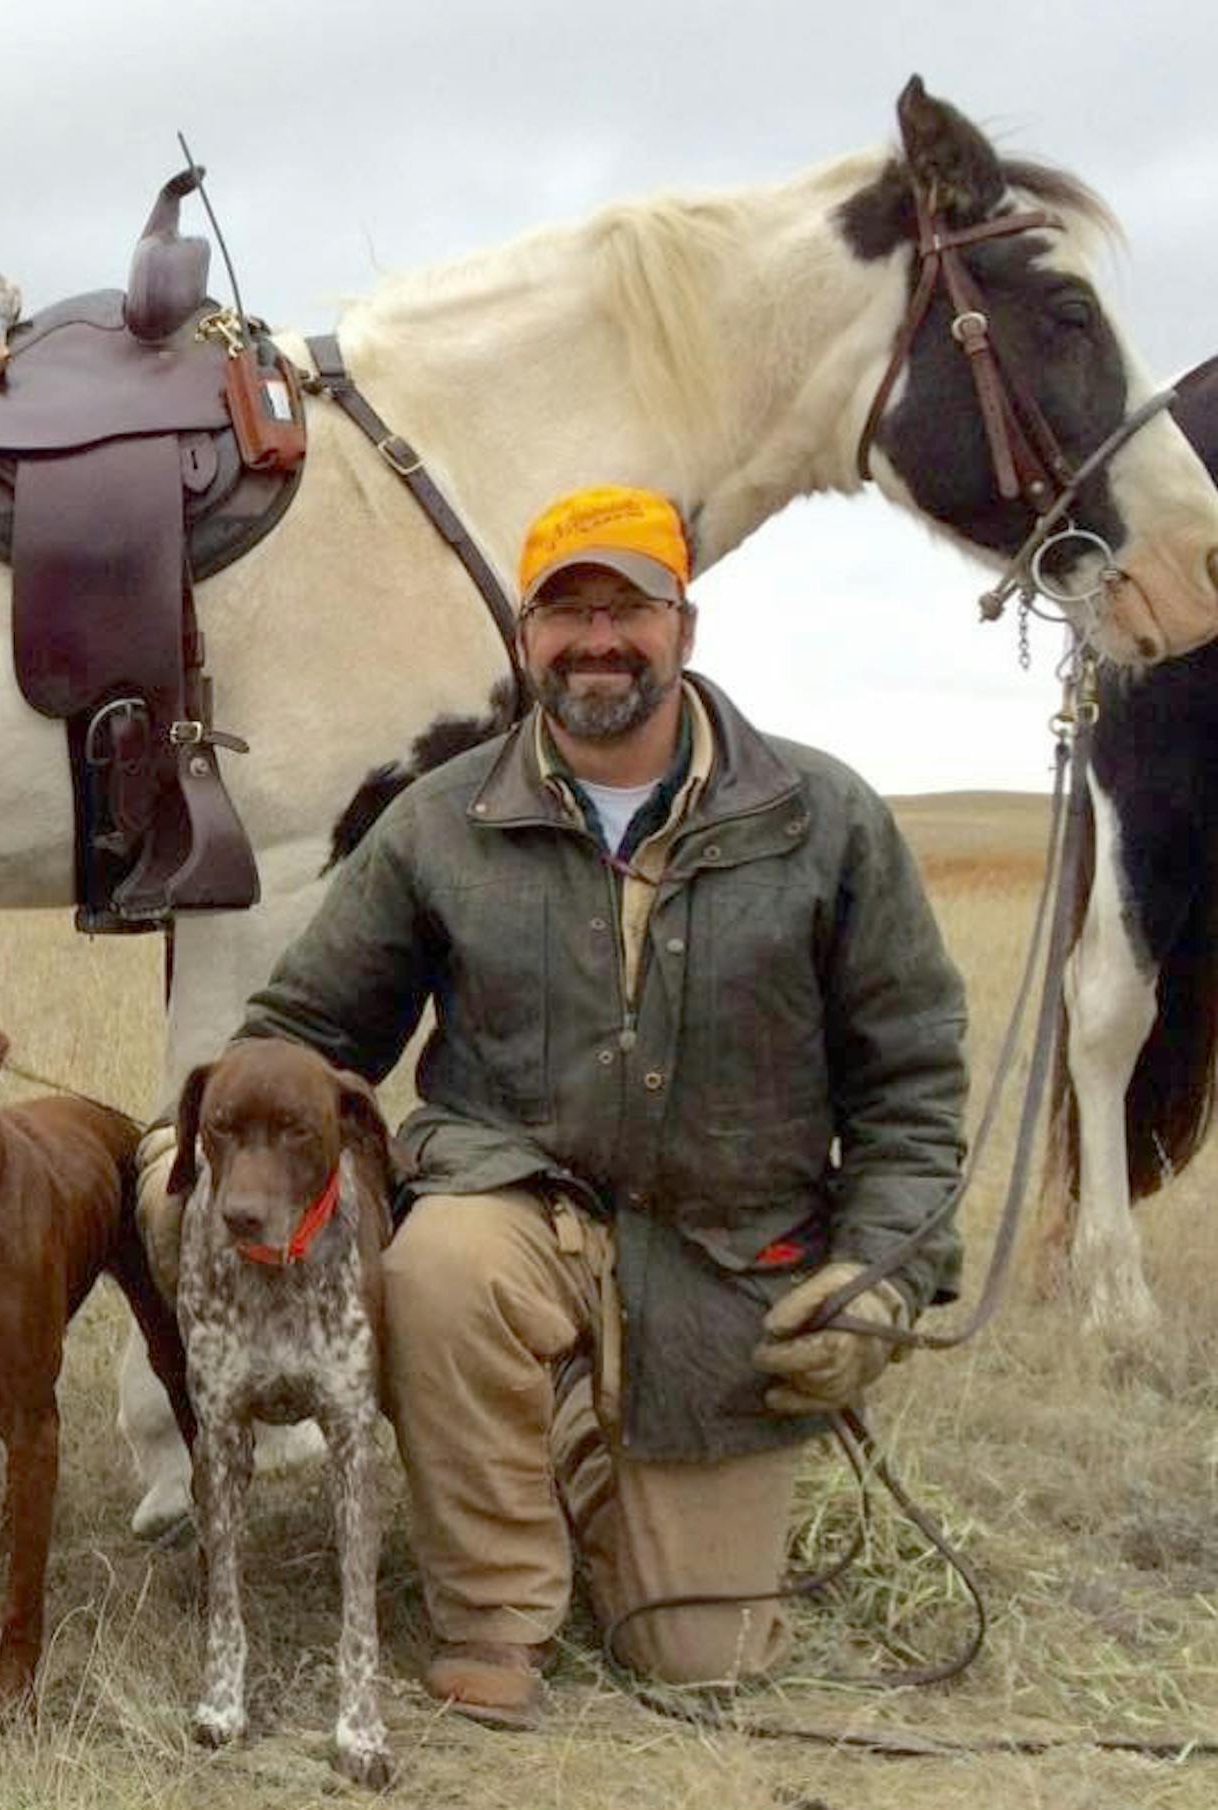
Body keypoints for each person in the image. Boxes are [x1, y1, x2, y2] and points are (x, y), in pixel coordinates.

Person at [207, 484, 967, 1723]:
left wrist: (883, 1270)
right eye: (567, 613)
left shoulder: (825, 818)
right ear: (524, 639)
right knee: (439, 1264)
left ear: (686, 625)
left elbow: (914, 1080)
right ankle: (495, 1612)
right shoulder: (438, 823)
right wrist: (212, 1165)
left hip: (732, 1256)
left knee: (696, 1656)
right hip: (518, 1218)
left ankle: (580, 1440)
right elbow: (300, 1031)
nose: (598, 640)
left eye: (630, 608)